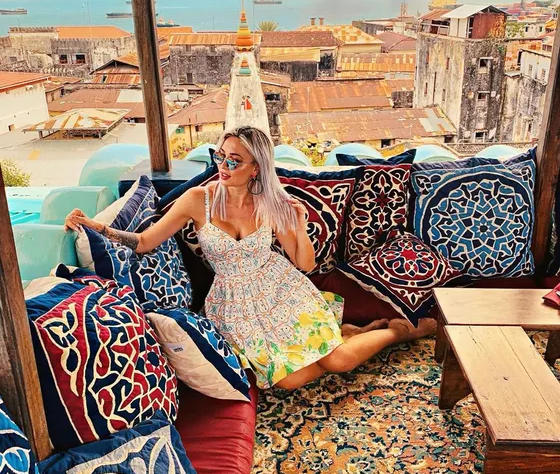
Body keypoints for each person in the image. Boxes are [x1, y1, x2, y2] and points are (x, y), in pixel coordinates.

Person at [65, 126, 435, 391]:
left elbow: (305, 265)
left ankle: (396, 332)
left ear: (256, 168)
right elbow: (145, 241)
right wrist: (97, 227)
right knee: (288, 381)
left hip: (282, 291)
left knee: (338, 362)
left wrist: (299, 224)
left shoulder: (273, 203)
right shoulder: (197, 199)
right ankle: (347, 335)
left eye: (235, 161)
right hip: (233, 305)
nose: (223, 167)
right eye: (221, 157)